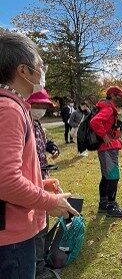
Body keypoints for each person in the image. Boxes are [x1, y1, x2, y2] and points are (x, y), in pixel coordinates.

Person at [0, 31, 78, 278]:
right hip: (11, 237)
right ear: (23, 71)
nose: (42, 71)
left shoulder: (14, 106)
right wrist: (51, 202)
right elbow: (6, 181)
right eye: (39, 65)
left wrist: (39, 184)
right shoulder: (9, 109)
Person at [27, 89, 62, 278]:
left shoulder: (38, 124)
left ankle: (39, 261)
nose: (40, 109)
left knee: (43, 223)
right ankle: (37, 269)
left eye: (44, 106)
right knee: (37, 226)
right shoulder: (21, 122)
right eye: (37, 105)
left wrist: (52, 147)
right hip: (30, 182)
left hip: (43, 178)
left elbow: (44, 143)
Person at [90, 85, 122, 217]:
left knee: (106, 177)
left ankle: (103, 203)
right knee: (113, 177)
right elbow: (95, 122)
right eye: (120, 96)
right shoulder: (108, 108)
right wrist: (105, 136)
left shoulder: (108, 107)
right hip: (108, 148)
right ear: (112, 95)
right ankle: (111, 206)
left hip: (107, 148)